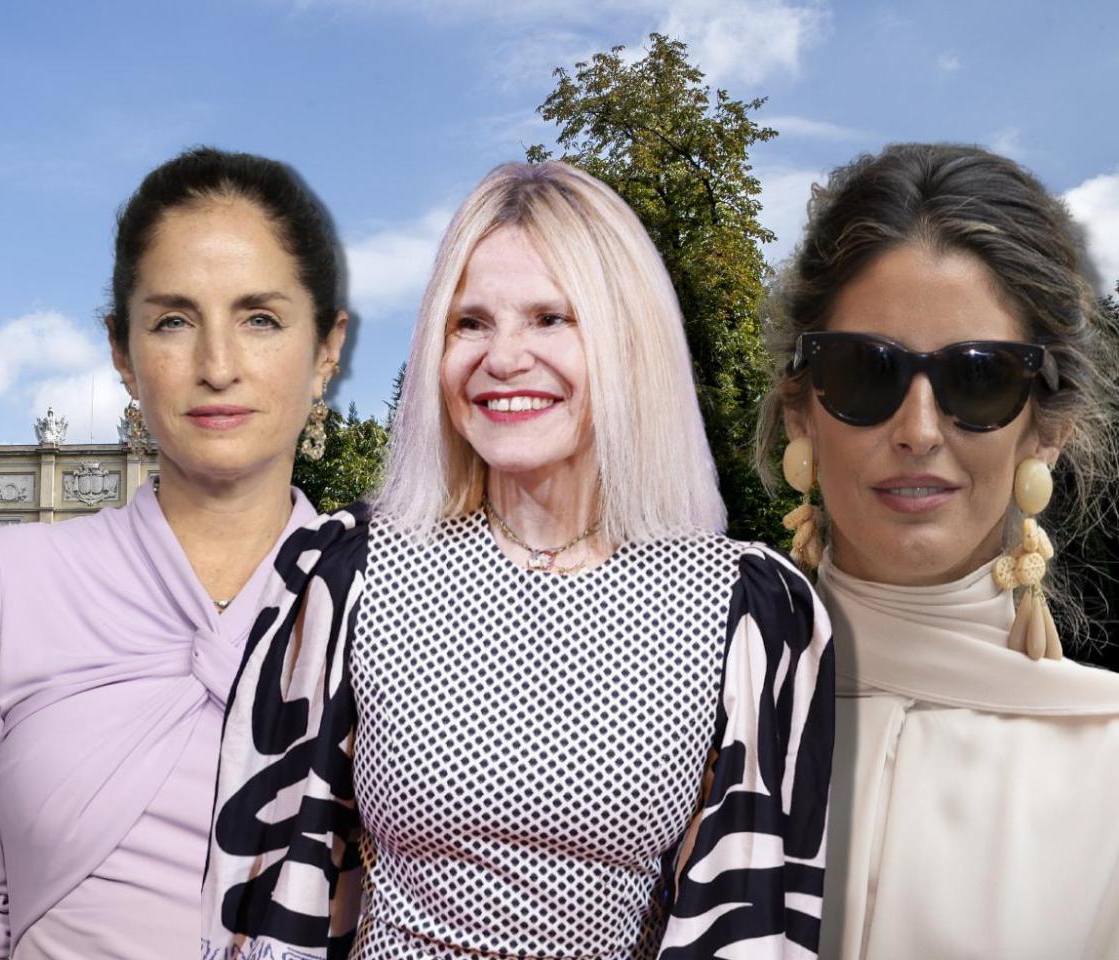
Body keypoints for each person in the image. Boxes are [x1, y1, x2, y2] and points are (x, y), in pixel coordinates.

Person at [202, 161, 833, 960]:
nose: (503, 357)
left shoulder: (747, 610)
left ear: (625, 339)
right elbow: (264, 903)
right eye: (470, 323)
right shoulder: (345, 573)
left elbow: (753, 926)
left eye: (548, 318)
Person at [0, 147, 347, 958]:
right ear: (121, 352)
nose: (218, 367)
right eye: (174, 320)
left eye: (261, 318)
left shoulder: (388, 594)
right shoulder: (4, 583)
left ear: (327, 349)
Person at [753, 142, 1119, 958]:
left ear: (1047, 429)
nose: (918, 431)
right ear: (802, 411)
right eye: (863, 372)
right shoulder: (693, 717)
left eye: (979, 379)